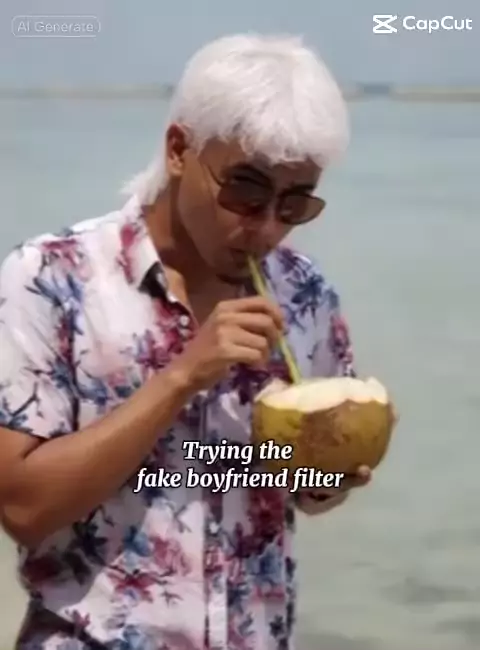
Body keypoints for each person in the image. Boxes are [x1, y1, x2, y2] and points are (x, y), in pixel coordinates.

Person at [0, 33, 371, 650]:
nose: (266, 227)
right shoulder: (51, 278)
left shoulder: (304, 294)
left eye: (294, 203)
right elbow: (22, 509)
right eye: (246, 190)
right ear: (179, 150)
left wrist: (325, 473)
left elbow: (282, 488)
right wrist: (180, 377)